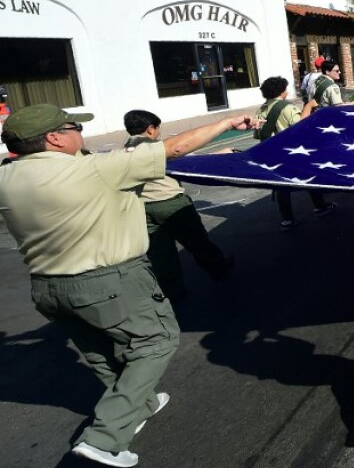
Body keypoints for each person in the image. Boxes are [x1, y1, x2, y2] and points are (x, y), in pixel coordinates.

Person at [0, 104, 251, 467]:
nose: (79, 134)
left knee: (101, 351)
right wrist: (227, 121)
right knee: (156, 341)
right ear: (55, 138)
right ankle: (104, 440)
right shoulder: (97, 169)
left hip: (47, 288)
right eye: (73, 128)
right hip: (108, 279)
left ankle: (141, 405)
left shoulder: (7, 178)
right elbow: (175, 148)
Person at [123, 110, 235, 301]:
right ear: (150, 129)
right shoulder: (157, 149)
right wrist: (222, 154)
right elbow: (189, 161)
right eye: (158, 128)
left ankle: (172, 291)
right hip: (170, 204)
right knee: (197, 241)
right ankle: (217, 266)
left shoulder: (125, 150)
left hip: (143, 207)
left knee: (160, 251)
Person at [255, 76, 336, 230]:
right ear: (281, 91)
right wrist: (308, 106)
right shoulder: (285, 107)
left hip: (272, 151)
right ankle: (320, 206)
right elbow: (300, 123)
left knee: (281, 186)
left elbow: (258, 133)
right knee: (309, 176)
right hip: (291, 150)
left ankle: (287, 219)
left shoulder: (262, 109)